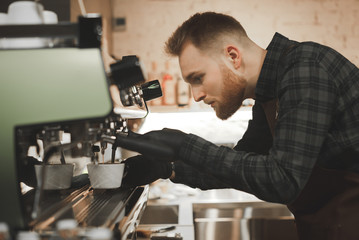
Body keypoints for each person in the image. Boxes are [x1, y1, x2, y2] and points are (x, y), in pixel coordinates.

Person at [121, 12, 359, 240]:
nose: (196, 95)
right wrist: (168, 167)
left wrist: (185, 145)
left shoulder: (305, 68)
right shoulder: (269, 91)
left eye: (198, 78)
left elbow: (283, 180)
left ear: (233, 56)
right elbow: (241, 161)